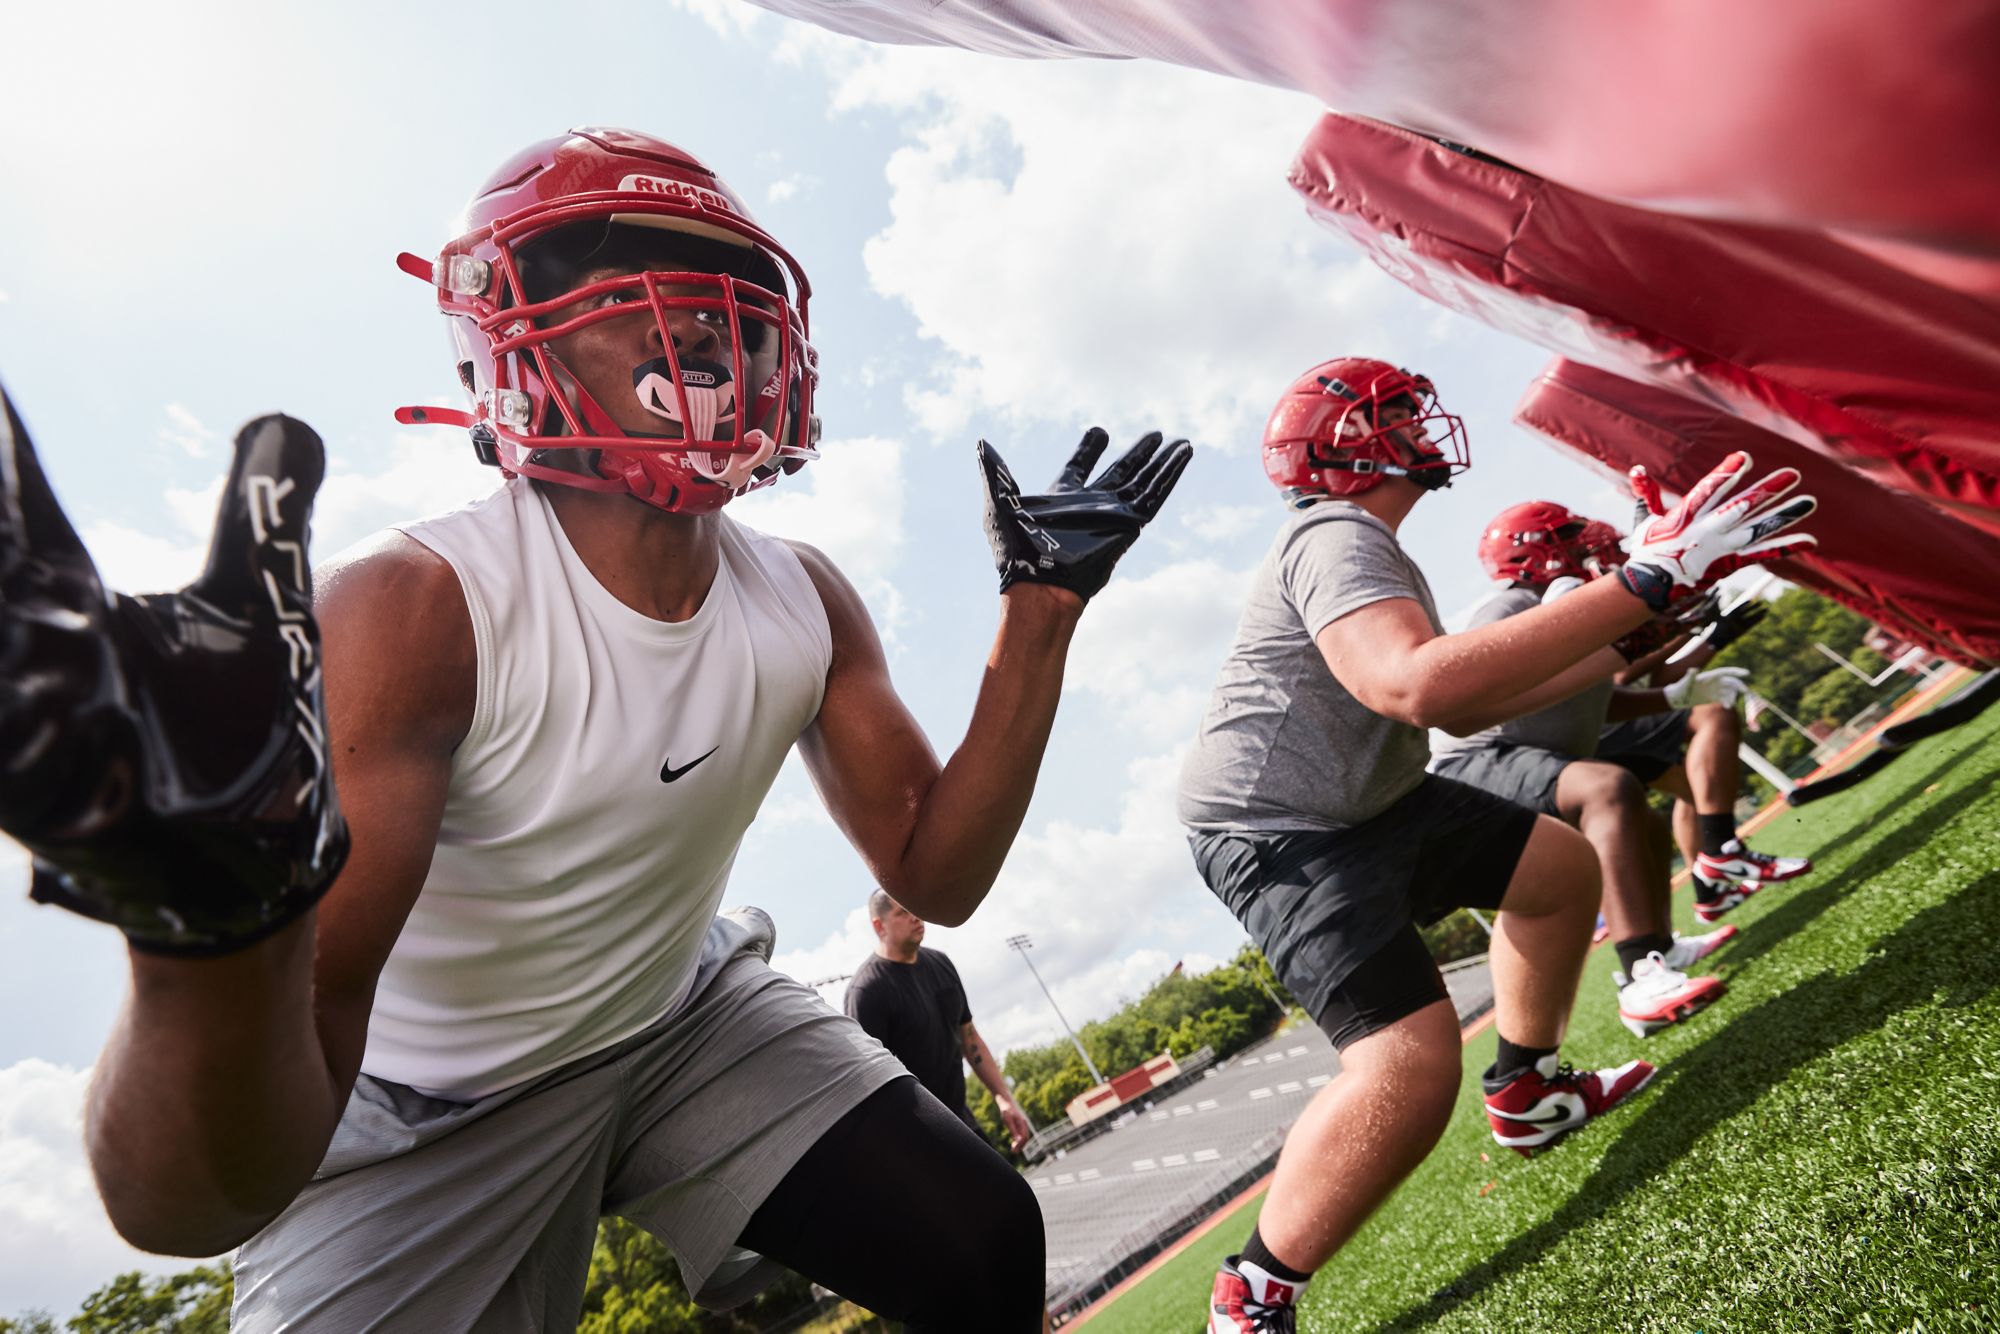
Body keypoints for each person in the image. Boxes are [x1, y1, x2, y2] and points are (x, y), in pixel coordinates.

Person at [2, 128, 1190, 1334]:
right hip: (427, 1098)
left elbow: (939, 873)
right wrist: (206, 945)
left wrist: (1038, 615)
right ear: (508, 340)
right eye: (631, 272)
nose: (707, 313)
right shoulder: (417, 610)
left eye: (729, 280)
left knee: (978, 1241)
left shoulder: (803, 594)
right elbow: (180, 1208)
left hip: (676, 1014)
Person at [1174, 358, 1815, 1332]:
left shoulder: (1363, 542)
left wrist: (1639, 618)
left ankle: (1525, 1086)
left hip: (1374, 799)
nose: (1422, 425)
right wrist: (1645, 578)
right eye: (1395, 415)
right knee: (1407, 1066)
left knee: (1557, 871)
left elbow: (1469, 701)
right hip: (1281, 830)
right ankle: (1253, 1289)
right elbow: (1413, 685)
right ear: (1343, 450)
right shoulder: (1333, 531)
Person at [1430, 500, 1748, 1038]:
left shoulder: (1572, 605)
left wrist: (1673, 696)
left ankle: (1660, 948)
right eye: (1572, 537)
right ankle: (1639, 974)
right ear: (1537, 553)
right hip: (1480, 761)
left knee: (1644, 822)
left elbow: (1590, 699)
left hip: (1531, 755)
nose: (1590, 548)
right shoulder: (1510, 606)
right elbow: (1485, 687)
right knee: (1608, 788)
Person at [1574, 518, 1814, 919]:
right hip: (1589, 730)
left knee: (1697, 792)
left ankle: (1708, 890)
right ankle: (1721, 851)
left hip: (1602, 726)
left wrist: (1711, 639)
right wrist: (1680, 632)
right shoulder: (1589, 604)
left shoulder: (1620, 596)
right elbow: (1617, 679)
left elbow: (1659, 678)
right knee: (1713, 713)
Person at [847, 889, 1034, 1150]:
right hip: (915, 1138)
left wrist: (1004, 1099)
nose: (916, 917)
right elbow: (869, 1084)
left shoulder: (941, 963)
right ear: (879, 926)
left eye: (916, 908)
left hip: (960, 1118)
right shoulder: (867, 991)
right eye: (903, 912)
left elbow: (970, 1039)